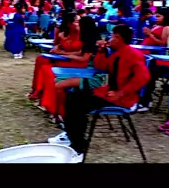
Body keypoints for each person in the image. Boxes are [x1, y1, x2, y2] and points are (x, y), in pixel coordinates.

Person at [57, 24, 151, 161]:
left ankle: (78, 147)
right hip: (108, 93)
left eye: (112, 36)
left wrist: (121, 93)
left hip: (122, 99)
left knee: (76, 104)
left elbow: (143, 77)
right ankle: (73, 137)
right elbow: (100, 66)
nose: (110, 39)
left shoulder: (133, 55)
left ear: (119, 38)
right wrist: (101, 50)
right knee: (72, 97)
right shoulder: (117, 53)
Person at [38, 16, 104, 124]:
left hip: (92, 74)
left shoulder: (91, 40)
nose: (78, 27)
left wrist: (65, 55)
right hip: (87, 71)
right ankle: (60, 112)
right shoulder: (88, 38)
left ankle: (63, 114)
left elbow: (84, 58)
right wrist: (63, 54)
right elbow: (80, 53)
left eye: (79, 24)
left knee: (58, 84)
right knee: (56, 80)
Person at [28, 11, 82, 101]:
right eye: (76, 21)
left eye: (79, 21)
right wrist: (57, 48)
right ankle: (37, 90)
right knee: (40, 59)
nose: (79, 24)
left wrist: (61, 52)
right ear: (69, 23)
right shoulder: (65, 32)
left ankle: (43, 94)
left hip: (73, 59)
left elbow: (81, 53)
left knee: (46, 67)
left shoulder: (82, 33)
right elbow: (59, 44)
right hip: (64, 57)